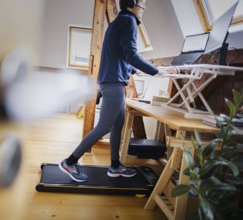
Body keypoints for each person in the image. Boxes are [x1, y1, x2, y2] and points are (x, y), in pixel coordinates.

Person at [59, 0, 178, 182]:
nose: (144, 9)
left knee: (118, 123)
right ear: (132, 3)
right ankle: (70, 161)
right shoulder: (128, 20)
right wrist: (157, 71)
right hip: (113, 83)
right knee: (105, 126)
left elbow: (120, 56)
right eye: (143, 4)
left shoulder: (120, 21)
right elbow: (131, 54)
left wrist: (133, 70)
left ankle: (115, 166)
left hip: (114, 81)